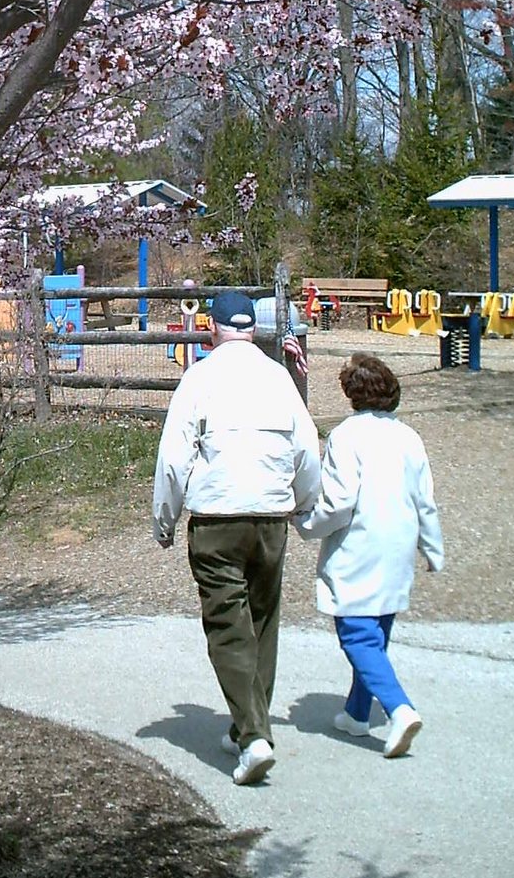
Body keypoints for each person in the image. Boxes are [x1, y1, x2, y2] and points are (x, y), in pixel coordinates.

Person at [153, 290, 320, 785]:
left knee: (227, 625)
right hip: (270, 514)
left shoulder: (198, 378)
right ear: (253, 330)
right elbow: (306, 447)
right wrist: (305, 505)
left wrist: (164, 520)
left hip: (217, 516)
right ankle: (248, 723)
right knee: (262, 622)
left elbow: (173, 458)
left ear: (212, 329)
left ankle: (253, 738)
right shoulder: (278, 377)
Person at [293, 352, 444, 759]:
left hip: (361, 542)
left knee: (357, 634)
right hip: (399, 542)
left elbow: (339, 502)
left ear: (351, 394)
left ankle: (398, 708)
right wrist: (432, 547)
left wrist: (306, 523)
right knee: (377, 629)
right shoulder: (409, 436)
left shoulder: (346, 436)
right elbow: (424, 499)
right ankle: (358, 713)